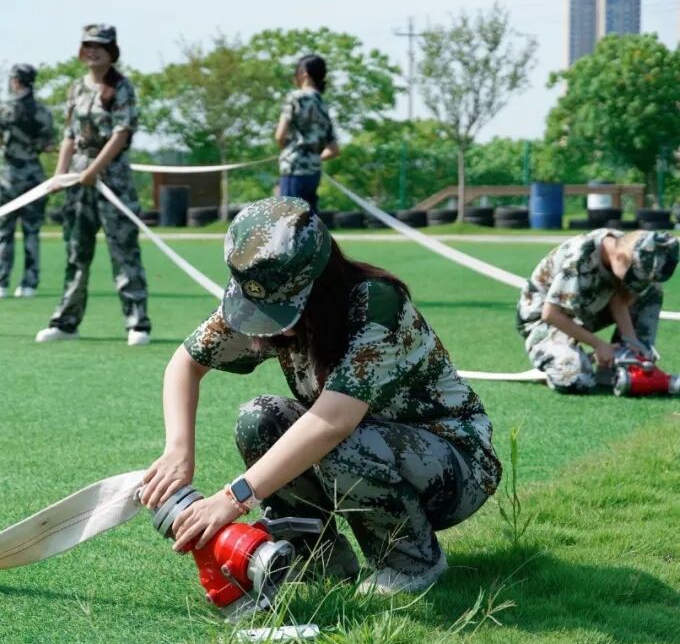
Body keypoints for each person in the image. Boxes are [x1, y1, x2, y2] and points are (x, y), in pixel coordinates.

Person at [140, 197, 501, 595]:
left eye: (282, 311)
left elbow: (334, 421)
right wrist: (178, 451)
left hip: (456, 464)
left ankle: (409, 564)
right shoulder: (264, 296)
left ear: (318, 282)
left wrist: (234, 496)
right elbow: (185, 363)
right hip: (366, 443)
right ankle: (318, 563)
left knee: (340, 441)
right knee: (258, 419)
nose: (272, 326)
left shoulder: (376, 306)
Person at [35, 24, 152, 346]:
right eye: (87, 45)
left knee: (124, 250)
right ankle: (66, 322)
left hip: (112, 179)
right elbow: (69, 135)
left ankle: (137, 323)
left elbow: (121, 133)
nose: (92, 50)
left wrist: (95, 170)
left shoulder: (121, 87)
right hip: (77, 179)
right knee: (76, 252)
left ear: (112, 50)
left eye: (99, 45)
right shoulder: (75, 88)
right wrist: (59, 175)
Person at [517, 229, 679, 392]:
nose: (638, 283)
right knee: (576, 378)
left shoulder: (626, 248)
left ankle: (628, 362)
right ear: (619, 258)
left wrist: (631, 341)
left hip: (585, 311)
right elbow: (550, 314)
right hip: (544, 321)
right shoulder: (580, 256)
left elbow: (619, 298)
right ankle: (565, 361)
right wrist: (598, 345)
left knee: (653, 290)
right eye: (636, 277)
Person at [0, 64, 55, 300]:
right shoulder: (44, 112)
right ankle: (29, 284)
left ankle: (0, 283)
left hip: (10, 176)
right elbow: (47, 144)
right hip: (34, 176)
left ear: (16, 81)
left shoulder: (6, 109)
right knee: (32, 232)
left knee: (4, 231)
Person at [275, 55, 339, 214]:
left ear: (304, 73)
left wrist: (287, 152)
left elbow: (280, 135)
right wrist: (314, 158)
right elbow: (334, 149)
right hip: (313, 173)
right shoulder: (323, 104)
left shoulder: (296, 97)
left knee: (290, 226)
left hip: (294, 169)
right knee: (308, 225)